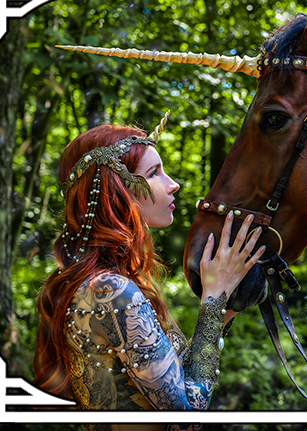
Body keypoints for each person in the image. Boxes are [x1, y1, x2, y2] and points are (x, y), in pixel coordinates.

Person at [33, 115, 266, 430]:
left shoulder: (112, 283)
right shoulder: (110, 290)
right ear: (117, 191)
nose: (173, 184)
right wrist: (213, 297)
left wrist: (224, 309)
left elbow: (175, 379)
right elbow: (185, 419)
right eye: (155, 172)